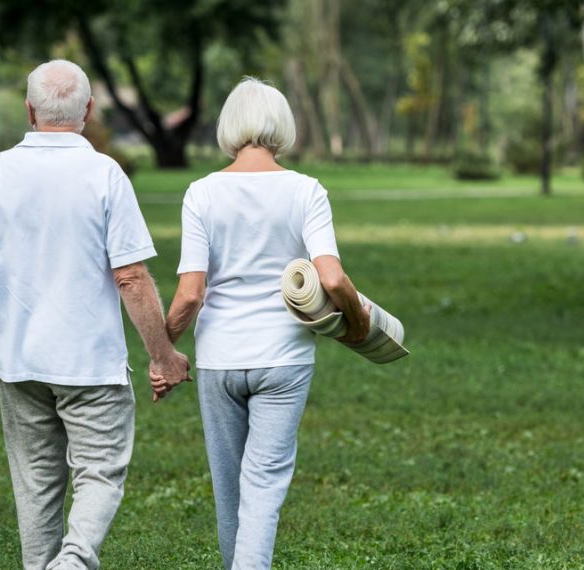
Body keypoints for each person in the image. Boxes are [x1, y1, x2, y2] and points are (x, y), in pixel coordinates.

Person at [0, 59, 191, 570]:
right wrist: (164, 356)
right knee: (100, 475)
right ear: (88, 110)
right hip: (90, 365)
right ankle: (75, 561)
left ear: (30, 110)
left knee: (36, 489)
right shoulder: (105, 175)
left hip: (18, 361)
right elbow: (130, 277)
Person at [162, 77, 370, 570]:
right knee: (264, 485)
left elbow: (190, 293)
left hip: (219, 359)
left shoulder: (202, 193)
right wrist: (358, 324)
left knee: (230, 488)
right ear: (283, 124)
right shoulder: (306, 191)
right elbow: (333, 278)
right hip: (285, 357)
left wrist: (161, 348)